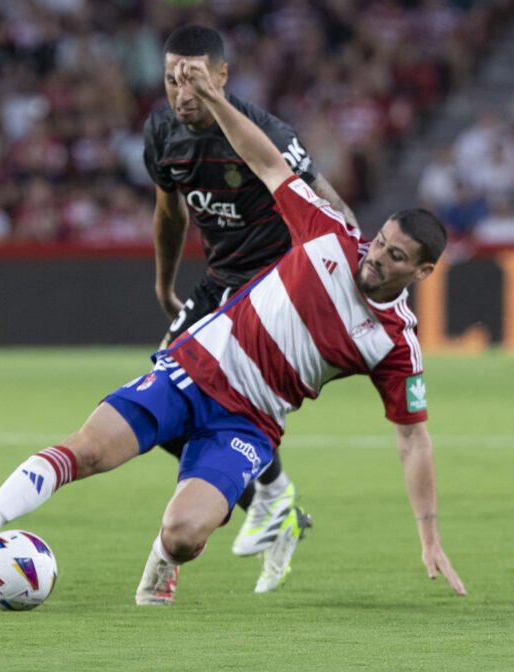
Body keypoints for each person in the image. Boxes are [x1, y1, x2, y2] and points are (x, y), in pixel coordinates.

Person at [0, 56, 466, 605]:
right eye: (380, 241)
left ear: (422, 272)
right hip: (193, 369)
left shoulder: (395, 342)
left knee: (185, 535)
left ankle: (167, 559)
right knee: (89, 451)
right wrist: (214, 98)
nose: (375, 256)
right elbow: (267, 161)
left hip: (251, 422)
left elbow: (412, 439)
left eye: (394, 255)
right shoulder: (328, 233)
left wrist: (429, 537)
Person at [144, 25, 360, 590]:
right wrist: (166, 284)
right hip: (219, 280)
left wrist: (353, 266)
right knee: (160, 402)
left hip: (276, 287)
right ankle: (273, 500)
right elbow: (171, 215)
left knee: (227, 401)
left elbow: (324, 199)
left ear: (221, 76)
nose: (180, 94)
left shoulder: (264, 132)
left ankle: (267, 499)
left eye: (192, 81)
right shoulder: (163, 131)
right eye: (171, 80)